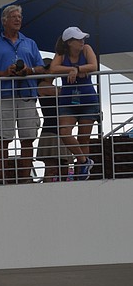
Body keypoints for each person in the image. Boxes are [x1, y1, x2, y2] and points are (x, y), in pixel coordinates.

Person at [0, 4, 45, 160]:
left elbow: (42, 68)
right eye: (14, 17)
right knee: (3, 138)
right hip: (3, 96)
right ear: (4, 21)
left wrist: (28, 71)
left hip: (27, 95)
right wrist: (4, 73)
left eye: (19, 17)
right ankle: (3, 174)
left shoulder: (30, 43)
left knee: (28, 138)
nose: (18, 20)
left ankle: (25, 174)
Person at [49, 27, 98, 180]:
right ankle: (84, 161)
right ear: (69, 42)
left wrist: (77, 69)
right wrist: (73, 69)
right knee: (64, 131)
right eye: (78, 39)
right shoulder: (61, 54)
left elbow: (94, 65)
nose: (82, 41)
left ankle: (82, 175)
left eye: (82, 38)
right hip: (68, 101)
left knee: (84, 139)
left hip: (88, 100)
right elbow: (53, 69)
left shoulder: (87, 49)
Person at [35, 58, 66, 182]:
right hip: (51, 130)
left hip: (58, 129)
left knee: (63, 166)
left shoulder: (48, 86)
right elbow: (63, 93)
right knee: (51, 168)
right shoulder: (42, 86)